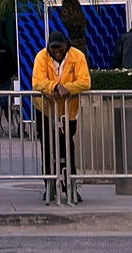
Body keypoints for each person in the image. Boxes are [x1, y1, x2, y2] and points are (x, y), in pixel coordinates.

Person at [31, 31, 91, 203]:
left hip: (68, 112)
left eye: (59, 46)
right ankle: (50, 186)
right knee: (48, 149)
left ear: (66, 44)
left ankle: (70, 186)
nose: (57, 50)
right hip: (45, 109)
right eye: (53, 47)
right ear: (48, 47)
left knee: (67, 149)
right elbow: (37, 82)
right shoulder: (41, 57)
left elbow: (85, 81)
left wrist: (67, 89)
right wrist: (55, 87)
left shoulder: (77, 56)